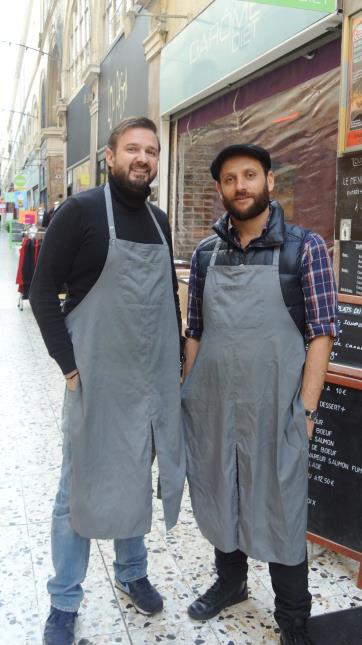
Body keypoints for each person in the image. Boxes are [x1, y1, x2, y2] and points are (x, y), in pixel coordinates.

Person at [30, 116, 186, 645]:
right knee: (79, 485)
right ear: (111, 156)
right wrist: (68, 366)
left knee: (136, 474)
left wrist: (173, 367)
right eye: (133, 149)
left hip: (147, 381)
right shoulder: (80, 212)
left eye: (152, 151)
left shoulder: (161, 222)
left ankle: (132, 571)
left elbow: (166, 300)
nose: (143, 159)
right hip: (94, 379)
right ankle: (64, 599)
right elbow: (41, 287)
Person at [182, 144, 338, 645]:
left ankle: (293, 618)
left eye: (250, 175)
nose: (241, 186)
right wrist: (190, 393)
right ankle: (231, 584)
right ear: (221, 190)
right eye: (230, 179)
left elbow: (322, 332)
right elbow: (196, 330)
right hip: (216, 401)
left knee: (281, 507)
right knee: (222, 490)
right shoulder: (207, 253)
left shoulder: (304, 248)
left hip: (278, 407)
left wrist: (307, 411)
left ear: (270, 181)